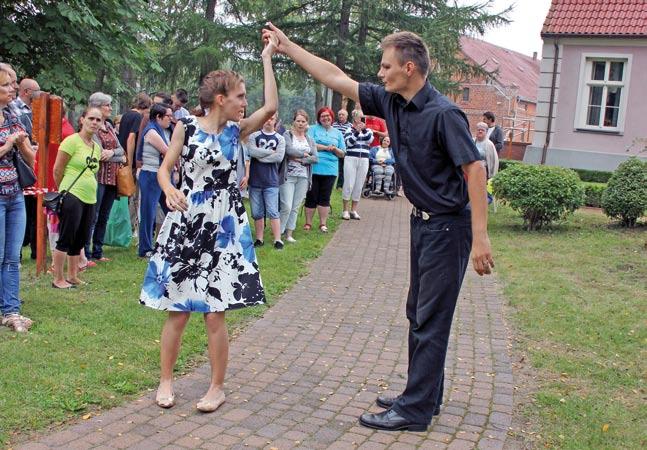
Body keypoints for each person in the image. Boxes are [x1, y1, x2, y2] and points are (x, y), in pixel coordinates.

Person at [263, 23, 494, 432]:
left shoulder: (444, 115)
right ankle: (424, 394)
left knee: (430, 317)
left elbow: (474, 171)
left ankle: (415, 410)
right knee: (418, 312)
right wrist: (288, 47)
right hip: (423, 224)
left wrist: (481, 237)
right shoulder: (392, 103)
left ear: (409, 68)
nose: (380, 73)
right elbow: (335, 76)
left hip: (448, 229)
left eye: (386, 66)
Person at [139, 34, 279, 413]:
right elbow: (165, 172)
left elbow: (271, 105)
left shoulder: (237, 130)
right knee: (178, 309)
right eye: (238, 96)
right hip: (188, 220)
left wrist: (267, 56)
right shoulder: (185, 127)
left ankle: (217, 388)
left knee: (216, 312)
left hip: (225, 223)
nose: (243, 103)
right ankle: (165, 380)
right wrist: (169, 191)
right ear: (221, 98)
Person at [0, 68, 35, 332]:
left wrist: (23, 145)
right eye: (7, 85)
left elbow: (30, 158)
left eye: (13, 84)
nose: (12, 89)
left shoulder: (14, 114)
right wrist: (10, 142)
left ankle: (11, 310)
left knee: (13, 256)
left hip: (15, 193)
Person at [51, 107, 101, 289]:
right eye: (91, 118)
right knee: (66, 236)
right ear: (82, 120)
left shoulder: (96, 147)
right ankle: (58, 278)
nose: (94, 122)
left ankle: (72, 275)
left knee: (80, 238)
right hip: (72, 194)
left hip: (90, 197)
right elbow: (57, 169)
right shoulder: (71, 141)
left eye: (98, 120)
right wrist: (64, 191)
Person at [85, 92, 126, 261]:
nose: (110, 108)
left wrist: (112, 153)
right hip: (97, 177)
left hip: (111, 178)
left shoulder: (109, 126)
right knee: (92, 216)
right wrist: (112, 154)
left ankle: (98, 251)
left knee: (104, 216)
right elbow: (99, 152)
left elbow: (121, 150)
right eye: (107, 105)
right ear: (97, 107)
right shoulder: (92, 128)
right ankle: (86, 252)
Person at [246, 114, 286, 249]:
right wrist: (270, 153)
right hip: (255, 180)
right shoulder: (254, 136)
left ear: (275, 121)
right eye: (267, 118)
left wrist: (260, 156)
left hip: (271, 181)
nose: (269, 121)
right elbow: (251, 151)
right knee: (257, 212)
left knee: (273, 211)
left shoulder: (280, 138)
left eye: (272, 119)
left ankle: (278, 240)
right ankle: (259, 239)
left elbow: (279, 157)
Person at [138, 104, 172, 258]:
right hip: (151, 175)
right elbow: (167, 151)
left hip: (159, 175)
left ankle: (172, 242)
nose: (170, 120)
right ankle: (145, 248)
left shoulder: (161, 130)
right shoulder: (152, 131)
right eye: (168, 116)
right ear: (158, 117)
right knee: (148, 212)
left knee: (171, 209)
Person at [279, 109, 318, 243]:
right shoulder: (287, 135)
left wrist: (301, 159)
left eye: (303, 121)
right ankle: (279, 233)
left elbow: (315, 158)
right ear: (294, 122)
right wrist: (304, 154)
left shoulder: (310, 139)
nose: (301, 124)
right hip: (288, 175)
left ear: (307, 123)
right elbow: (288, 150)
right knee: (286, 206)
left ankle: (289, 234)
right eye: (298, 121)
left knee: (295, 207)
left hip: (303, 176)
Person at [305, 107, 345, 232]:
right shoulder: (312, 129)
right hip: (315, 166)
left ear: (332, 117)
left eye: (327, 116)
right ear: (319, 118)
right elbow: (310, 145)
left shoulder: (338, 133)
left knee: (325, 196)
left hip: (331, 169)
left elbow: (342, 153)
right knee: (311, 195)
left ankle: (323, 223)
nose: (325, 118)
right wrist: (327, 148)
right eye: (322, 116)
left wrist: (335, 149)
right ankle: (308, 223)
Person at [117, 92, 152, 236]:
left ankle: (125, 225)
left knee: (125, 194)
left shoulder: (126, 115)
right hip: (128, 159)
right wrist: (130, 161)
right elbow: (131, 138)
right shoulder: (138, 116)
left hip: (121, 157)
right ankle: (132, 226)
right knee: (133, 194)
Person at [341, 109, 372, 220]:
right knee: (349, 184)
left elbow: (369, 140)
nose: (362, 120)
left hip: (364, 159)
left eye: (363, 118)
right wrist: (356, 132)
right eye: (360, 117)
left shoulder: (368, 131)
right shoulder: (349, 130)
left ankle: (353, 210)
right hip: (351, 158)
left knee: (359, 185)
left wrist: (363, 130)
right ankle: (345, 210)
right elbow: (349, 143)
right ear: (355, 118)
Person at [333, 109, 351, 189]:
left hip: (344, 150)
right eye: (339, 114)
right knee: (334, 167)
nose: (340, 116)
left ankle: (339, 185)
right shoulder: (333, 125)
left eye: (342, 114)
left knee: (342, 169)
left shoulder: (350, 126)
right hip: (334, 149)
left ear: (346, 116)